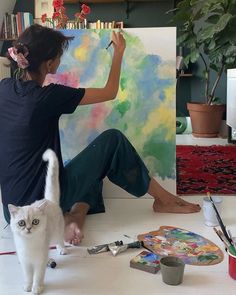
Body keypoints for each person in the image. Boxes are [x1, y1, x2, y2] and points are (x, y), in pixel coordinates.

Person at [0, 24, 200, 246]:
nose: (60, 60)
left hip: (14, 213)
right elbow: (110, 91)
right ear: (49, 64)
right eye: (59, 56)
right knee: (112, 141)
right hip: (39, 212)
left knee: (86, 169)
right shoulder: (50, 97)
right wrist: (119, 52)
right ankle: (163, 200)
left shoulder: (4, 88)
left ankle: (73, 218)